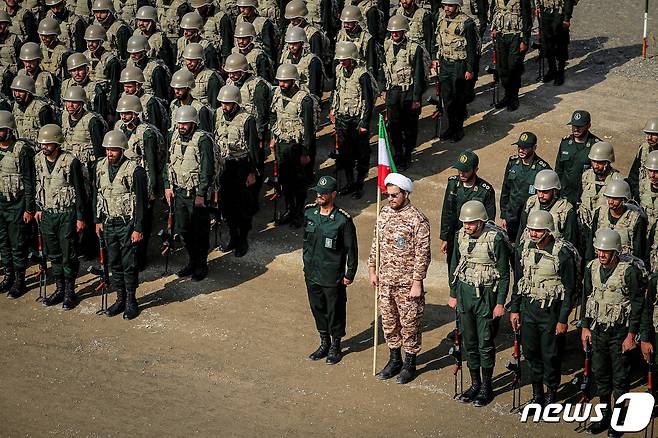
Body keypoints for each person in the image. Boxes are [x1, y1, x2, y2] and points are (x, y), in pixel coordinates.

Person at [580, 228, 646, 437]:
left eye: (606, 251)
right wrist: (584, 327)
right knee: (600, 374)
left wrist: (631, 335)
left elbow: (637, 305)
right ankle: (604, 414)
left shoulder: (629, 272)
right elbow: (586, 299)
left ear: (616, 252)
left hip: (619, 332)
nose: (601, 254)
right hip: (598, 330)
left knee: (620, 378)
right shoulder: (591, 268)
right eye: (599, 250)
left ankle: (619, 418)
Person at [510, 210, 578, 406]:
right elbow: (519, 282)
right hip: (529, 309)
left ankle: (551, 393)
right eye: (531, 229)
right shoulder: (524, 250)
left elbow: (569, 289)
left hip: (550, 313)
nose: (533, 234)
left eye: (538, 230)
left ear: (548, 231)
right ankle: (537, 393)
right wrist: (515, 309)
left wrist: (563, 319)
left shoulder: (562, 254)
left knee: (550, 355)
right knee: (530, 352)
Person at [369, 173, 431, 384]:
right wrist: (372, 268)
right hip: (386, 281)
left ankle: (409, 363)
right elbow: (376, 243)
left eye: (395, 195)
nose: (391, 199)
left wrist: (417, 282)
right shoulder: (384, 212)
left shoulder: (417, 220)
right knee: (389, 322)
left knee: (409, 324)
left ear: (406, 193)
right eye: (388, 195)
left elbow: (423, 254)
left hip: (407, 284)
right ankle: (394, 360)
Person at [449, 200, 510, 406]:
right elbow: (454, 264)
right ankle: (474, 383)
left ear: (482, 221)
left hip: (486, 295)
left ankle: (486, 386)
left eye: (472, 223)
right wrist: (453, 293)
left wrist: (500, 302)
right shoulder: (460, 236)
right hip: (465, 293)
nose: (467, 226)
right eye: (465, 222)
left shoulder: (496, 239)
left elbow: (503, 274)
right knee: (469, 341)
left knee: (485, 343)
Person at [94, 129, 148, 320]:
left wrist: (138, 228)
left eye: (114, 150)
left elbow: (142, 203)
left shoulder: (136, 171)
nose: (110, 153)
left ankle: (132, 300)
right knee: (114, 262)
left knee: (129, 263)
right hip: (109, 222)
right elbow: (97, 194)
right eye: (108, 150)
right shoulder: (100, 167)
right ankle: (120, 298)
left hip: (127, 223)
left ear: (122, 149)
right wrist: (97, 220)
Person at [304, 175, 358, 365]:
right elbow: (306, 242)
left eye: (324, 193)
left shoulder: (342, 220)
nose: (319, 195)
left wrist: (349, 273)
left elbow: (352, 249)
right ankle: (324, 341)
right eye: (318, 192)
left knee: (334, 310)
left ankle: (336, 345)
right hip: (312, 273)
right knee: (317, 308)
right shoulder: (310, 214)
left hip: (332, 275)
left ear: (333, 194)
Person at [34, 124, 86, 309]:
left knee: (68, 255)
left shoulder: (70, 162)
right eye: (42, 143)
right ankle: (59, 288)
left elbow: (80, 191)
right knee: (54, 255)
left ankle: (70, 292)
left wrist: (80, 217)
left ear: (57, 144)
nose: (44, 147)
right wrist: (37, 208)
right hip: (48, 214)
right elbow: (37, 184)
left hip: (66, 215)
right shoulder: (38, 160)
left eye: (48, 144)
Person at [163, 105, 216, 281]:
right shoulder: (174, 136)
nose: (182, 127)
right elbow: (168, 162)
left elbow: (207, 170)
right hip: (179, 192)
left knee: (200, 231)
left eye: (186, 124)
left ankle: (201, 264)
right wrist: (167, 186)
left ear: (194, 123)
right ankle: (192, 261)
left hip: (195, 195)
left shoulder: (203, 140)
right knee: (184, 230)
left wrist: (201, 194)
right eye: (180, 123)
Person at [115, 94, 164, 270]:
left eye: (127, 113)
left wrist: (152, 189)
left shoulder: (147, 133)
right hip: (124, 180)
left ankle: (140, 258)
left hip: (142, 179)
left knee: (142, 221)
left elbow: (151, 162)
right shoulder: (119, 128)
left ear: (136, 113)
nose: (123, 116)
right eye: (121, 113)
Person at [270, 63, 316, 229]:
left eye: (285, 81)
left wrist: (306, 152)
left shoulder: (305, 100)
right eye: (280, 81)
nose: (282, 84)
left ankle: (299, 212)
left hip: (297, 146)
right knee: (285, 180)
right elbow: (273, 116)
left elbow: (309, 129)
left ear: (294, 81)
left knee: (299, 182)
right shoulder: (276, 94)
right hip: (282, 144)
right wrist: (273, 137)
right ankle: (289, 209)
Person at [214, 84, 258, 257]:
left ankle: (242, 240)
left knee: (242, 205)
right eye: (222, 103)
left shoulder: (247, 119)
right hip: (224, 165)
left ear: (236, 103)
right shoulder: (217, 114)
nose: (224, 107)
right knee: (226, 205)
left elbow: (254, 148)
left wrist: (252, 172)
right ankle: (233, 236)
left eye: (227, 103)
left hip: (241, 165)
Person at [439, 150, 496, 284]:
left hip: (474, 237)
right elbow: (447, 211)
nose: (461, 174)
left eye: (465, 170)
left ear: (475, 169)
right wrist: (445, 238)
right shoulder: (453, 183)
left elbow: (489, 219)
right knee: (452, 268)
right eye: (459, 170)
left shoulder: (485, 190)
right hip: (455, 235)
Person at [329, 41, 375, 200]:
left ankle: (360, 184)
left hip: (357, 120)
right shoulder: (338, 70)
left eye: (345, 59)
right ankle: (349, 182)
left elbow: (369, 100)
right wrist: (332, 109)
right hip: (342, 118)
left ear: (353, 58)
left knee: (362, 154)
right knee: (345, 154)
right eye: (340, 59)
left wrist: (364, 122)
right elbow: (336, 91)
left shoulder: (362, 75)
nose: (341, 62)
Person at [224, 52, 271, 199]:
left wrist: (261, 138)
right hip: (236, 130)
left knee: (255, 163)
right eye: (229, 72)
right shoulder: (229, 84)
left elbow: (262, 114)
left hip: (254, 131)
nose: (231, 76)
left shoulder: (257, 86)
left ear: (243, 70)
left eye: (235, 72)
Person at [382, 14, 427, 168]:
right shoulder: (387, 45)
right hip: (393, 91)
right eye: (392, 32)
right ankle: (398, 152)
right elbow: (384, 69)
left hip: (409, 92)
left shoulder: (414, 49)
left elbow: (419, 74)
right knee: (394, 125)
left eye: (398, 31)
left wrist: (416, 98)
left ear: (404, 31)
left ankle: (408, 153)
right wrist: (384, 89)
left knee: (409, 126)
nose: (394, 34)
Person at [0, 110, 35, 299]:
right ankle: (8, 275)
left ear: (9, 129)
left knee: (17, 243)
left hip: (17, 204)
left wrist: (29, 208)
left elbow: (30, 181)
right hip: (0, 203)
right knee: (3, 242)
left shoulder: (22, 150)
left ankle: (20, 280)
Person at [434, 0, 477, 142]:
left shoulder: (467, 23)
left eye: (450, 5)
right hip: (445, 63)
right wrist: (435, 58)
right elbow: (437, 40)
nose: (447, 8)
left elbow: (472, 48)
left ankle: (458, 130)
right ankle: (451, 126)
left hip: (459, 65)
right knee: (447, 99)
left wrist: (470, 69)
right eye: (444, 5)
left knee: (458, 99)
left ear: (457, 6)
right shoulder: (441, 18)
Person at [500, 132, 550, 245]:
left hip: (530, 216)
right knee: (511, 245)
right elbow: (505, 189)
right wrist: (504, 215)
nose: (521, 150)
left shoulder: (542, 168)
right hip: (512, 215)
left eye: (525, 148)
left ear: (534, 148)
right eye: (519, 147)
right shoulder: (512, 163)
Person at [587, 179, 647, 262]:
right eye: (609, 197)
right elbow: (591, 242)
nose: (610, 202)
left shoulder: (635, 219)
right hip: (602, 261)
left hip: (625, 264)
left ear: (624, 199)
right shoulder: (600, 213)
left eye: (615, 199)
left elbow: (639, 250)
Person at [516, 169, 578, 247]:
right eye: (539, 191)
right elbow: (521, 230)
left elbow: (570, 242)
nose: (541, 195)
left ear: (554, 191)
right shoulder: (531, 203)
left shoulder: (565, 210)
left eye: (545, 192)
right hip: (529, 253)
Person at [490, 0, 531, 111]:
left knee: (514, 67)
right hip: (500, 35)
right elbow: (493, 10)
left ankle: (514, 97)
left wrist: (525, 40)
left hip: (516, 36)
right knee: (502, 68)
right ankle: (507, 95)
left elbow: (527, 17)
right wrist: (493, 27)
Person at [554, 110, 601, 206]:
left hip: (586, 196)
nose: (576, 129)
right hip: (565, 195)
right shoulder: (565, 143)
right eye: (574, 126)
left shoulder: (597, 146)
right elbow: (559, 169)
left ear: (588, 126)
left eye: (580, 126)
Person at [577, 141, 622, 232]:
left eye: (600, 163)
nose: (596, 166)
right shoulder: (586, 176)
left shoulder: (617, 181)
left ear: (608, 162)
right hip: (585, 228)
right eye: (594, 161)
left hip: (605, 230)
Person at [83, 24, 122, 116]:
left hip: (105, 102)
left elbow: (115, 87)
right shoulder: (84, 57)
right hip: (87, 99)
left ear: (101, 42)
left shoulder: (111, 61)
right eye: (88, 41)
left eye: (94, 42)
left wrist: (111, 111)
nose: (90, 44)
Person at [119, 65, 169, 136]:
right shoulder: (123, 97)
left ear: (138, 85)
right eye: (125, 86)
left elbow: (154, 129)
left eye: (130, 87)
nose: (126, 90)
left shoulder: (150, 102)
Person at [61, 53, 109, 122]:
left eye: (80, 70)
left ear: (86, 69)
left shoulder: (95, 89)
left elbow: (100, 116)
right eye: (74, 70)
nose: (77, 73)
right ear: (69, 72)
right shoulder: (65, 85)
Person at [279, 26, 324, 99]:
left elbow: (314, 88)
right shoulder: (285, 57)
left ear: (302, 43)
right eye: (289, 44)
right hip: (289, 96)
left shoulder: (312, 61)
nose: (291, 47)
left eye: (294, 44)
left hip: (306, 98)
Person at [537, 0, 574, 86]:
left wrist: (567, 18)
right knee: (547, 42)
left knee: (561, 43)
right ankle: (552, 69)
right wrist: (537, 7)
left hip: (559, 12)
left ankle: (560, 71)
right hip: (545, 10)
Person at [336, 5, 379, 76]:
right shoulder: (341, 35)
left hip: (360, 73)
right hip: (344, 72)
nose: (346, 25)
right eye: (344, 22)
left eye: (349, 23)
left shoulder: (367, 38)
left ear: (356, 22)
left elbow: (371, 63)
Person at [10, 74, 56, 141]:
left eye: (21, 91)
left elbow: (50, 135)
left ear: (28, 92)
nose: (17, 94)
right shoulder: (14, 106)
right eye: (15, 91)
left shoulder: (43, 109)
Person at [125, 35, 171, 101]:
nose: (132, 56)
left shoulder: (156, 69)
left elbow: (160, 97)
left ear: (144, 52)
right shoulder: (130, 64)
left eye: (136, 53)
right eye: (131, 53)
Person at [181, 42, 224, 110]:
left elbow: (214, 106)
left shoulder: (211, 77)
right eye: (187, 59)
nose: (189, 62)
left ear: (200, 61)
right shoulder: (182, 74)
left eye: (192, 60)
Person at [169, 68, 214, 132]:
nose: (177, 91)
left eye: (180, 88)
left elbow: (205, 134)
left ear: (188, 89)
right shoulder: (173, 105)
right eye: (175, 88)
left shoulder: (200, 109)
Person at [628, 117, 658, 202]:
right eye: (647, 134)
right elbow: (634, 175)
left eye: (653, 134)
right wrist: (636, 193)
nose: (649, 138)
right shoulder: (644, 149)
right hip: (643, 198)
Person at [643, 151, 658, 272]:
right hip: (645, 237)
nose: (652, 175)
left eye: (656, 172)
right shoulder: (644, 185)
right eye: (650, 171)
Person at [0, 10, 21, 98]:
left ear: (7, 24)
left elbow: (21, 60)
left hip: (12, 73)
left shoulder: (15, 39)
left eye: (2, 23)